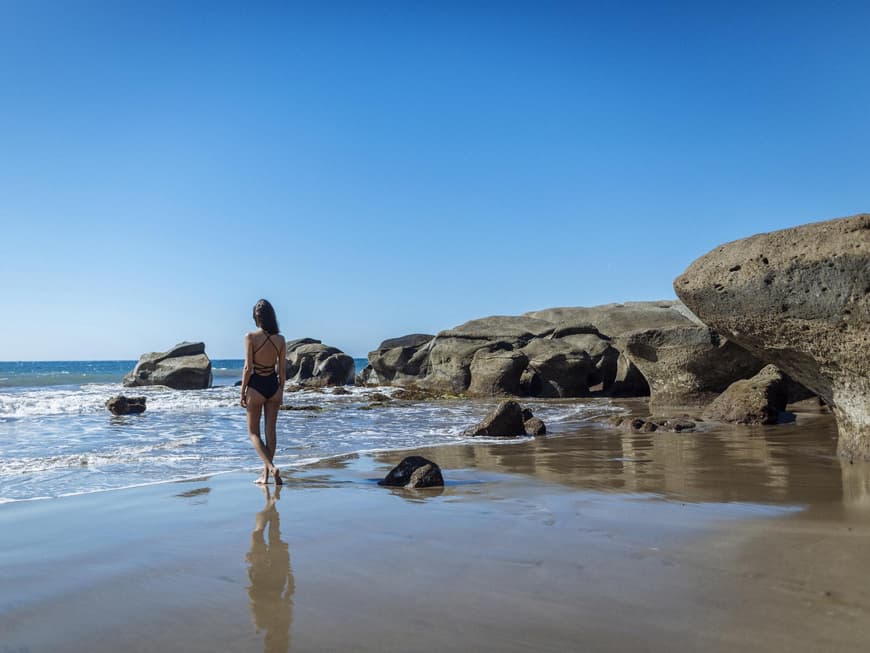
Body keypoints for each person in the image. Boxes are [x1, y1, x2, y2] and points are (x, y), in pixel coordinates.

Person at [241, 299, 287, 485]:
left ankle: (271, 468)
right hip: (273, 386)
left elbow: (247, 368)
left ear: (256, 317)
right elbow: (282, 370)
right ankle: (266, 475)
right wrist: (281, 391)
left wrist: (242, 391)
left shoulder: (250, 337)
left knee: (253, 433)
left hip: (256, 387)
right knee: (270, 432)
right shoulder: (280, 339)